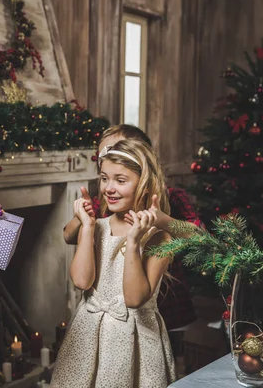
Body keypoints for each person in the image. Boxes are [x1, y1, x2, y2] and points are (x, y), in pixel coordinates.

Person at [51, 140, 176, 387]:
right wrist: (86, 226)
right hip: (87, 335)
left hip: (135, 339)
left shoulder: (159, 238)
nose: (109, 188)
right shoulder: (97, 227)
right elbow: (81, 281)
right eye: (104, 178)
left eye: (120, 180)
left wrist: (133, 242)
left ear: (143, 184)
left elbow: (133, 298)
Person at [63, 124, 199, 333]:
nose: (108, 156)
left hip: (163, 305)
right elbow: (68, 235)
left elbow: (200, 237)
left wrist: (161, 220)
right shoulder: (106, 201)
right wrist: (83, 219)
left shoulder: (171, 198)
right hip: (105, 319)